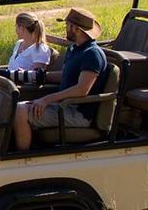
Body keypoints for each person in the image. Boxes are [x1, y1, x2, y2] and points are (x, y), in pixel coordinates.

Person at [13, 8, 107, 151]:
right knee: (12, 105)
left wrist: (46, 99)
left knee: (20, 111)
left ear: (75, 28)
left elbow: (82, 89)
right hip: (64, 105)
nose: (65, 29)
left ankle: (23, 156)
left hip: (77, 112)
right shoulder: (74, 49)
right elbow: (65, 75)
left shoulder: (92, 55)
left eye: (67, 26)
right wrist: (37, 76)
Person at [4, 12, 55, 85]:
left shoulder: (40, 49)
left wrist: (20, 74)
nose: (15, 30)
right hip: (7, 84)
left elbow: (37, 77)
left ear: (21, 28)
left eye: (16, 26)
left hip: (22, 90)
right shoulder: (19, 43)